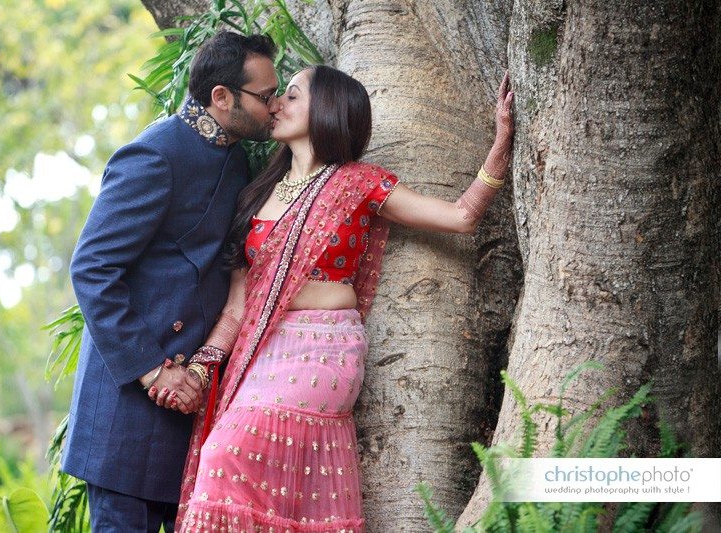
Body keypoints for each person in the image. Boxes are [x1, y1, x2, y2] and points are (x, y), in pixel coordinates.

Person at [172, 65, 514, 532]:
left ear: (328, 108)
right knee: (230, 469)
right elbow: (239, 305)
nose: (275, 105)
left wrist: (499, 147)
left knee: (226, 453)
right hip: (262, 352)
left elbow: (460, 216)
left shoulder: (359, 182)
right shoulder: (256, 195)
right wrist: (202, 364)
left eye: (291, 96)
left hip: (324, 351)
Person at [62, 31, 282, 532]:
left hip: (189, 404)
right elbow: (92, 269)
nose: (275, 105)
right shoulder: (153, 154)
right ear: (221, 97)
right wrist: (153, 372)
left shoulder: (234, 155)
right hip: (129, 413)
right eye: (266, 96)